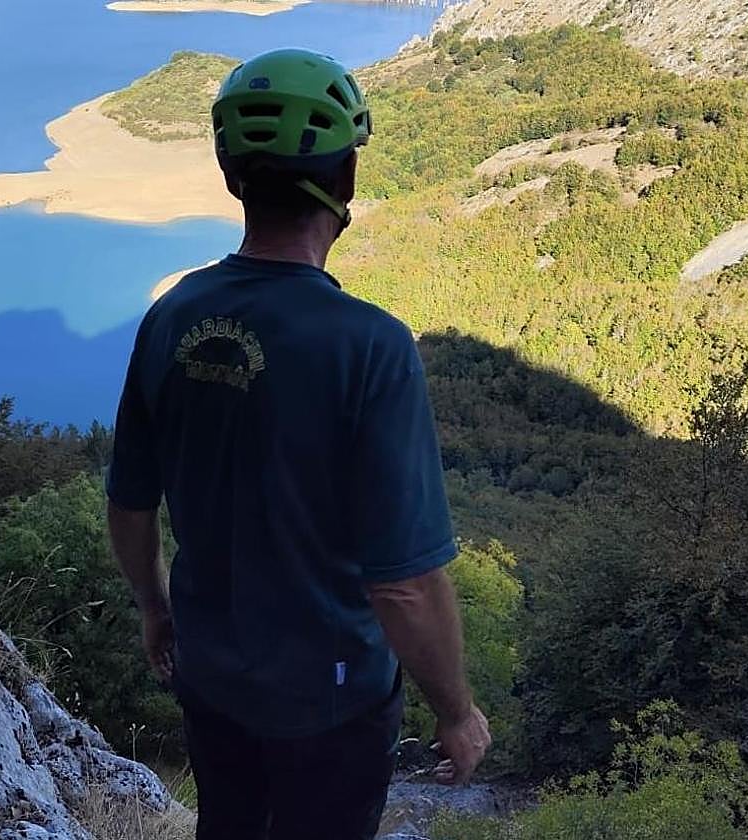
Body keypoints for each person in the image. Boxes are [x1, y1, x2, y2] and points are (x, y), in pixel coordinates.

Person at [106, 48, 490, 840]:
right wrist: (456, 710)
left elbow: (131, 502)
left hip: (210, 675)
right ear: (345, 182)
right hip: (334, 698)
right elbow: (405, 585)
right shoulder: (370, 346)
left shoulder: (173, 315)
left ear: (231, 176)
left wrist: (156, 610)